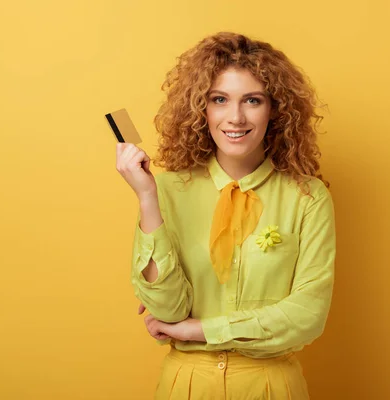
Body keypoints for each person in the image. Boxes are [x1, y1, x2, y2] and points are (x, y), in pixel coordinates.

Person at [116, 32, 336, 399]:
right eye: (220, 100)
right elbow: (168, 309)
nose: (235, 117)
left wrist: (198, 330)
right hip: (187, 387)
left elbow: (306, 317)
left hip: (270, 386)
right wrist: (147, 198)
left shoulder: (307, 197)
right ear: (202, 109)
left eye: (252, 100)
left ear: (275, 108)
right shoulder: (166, 190)